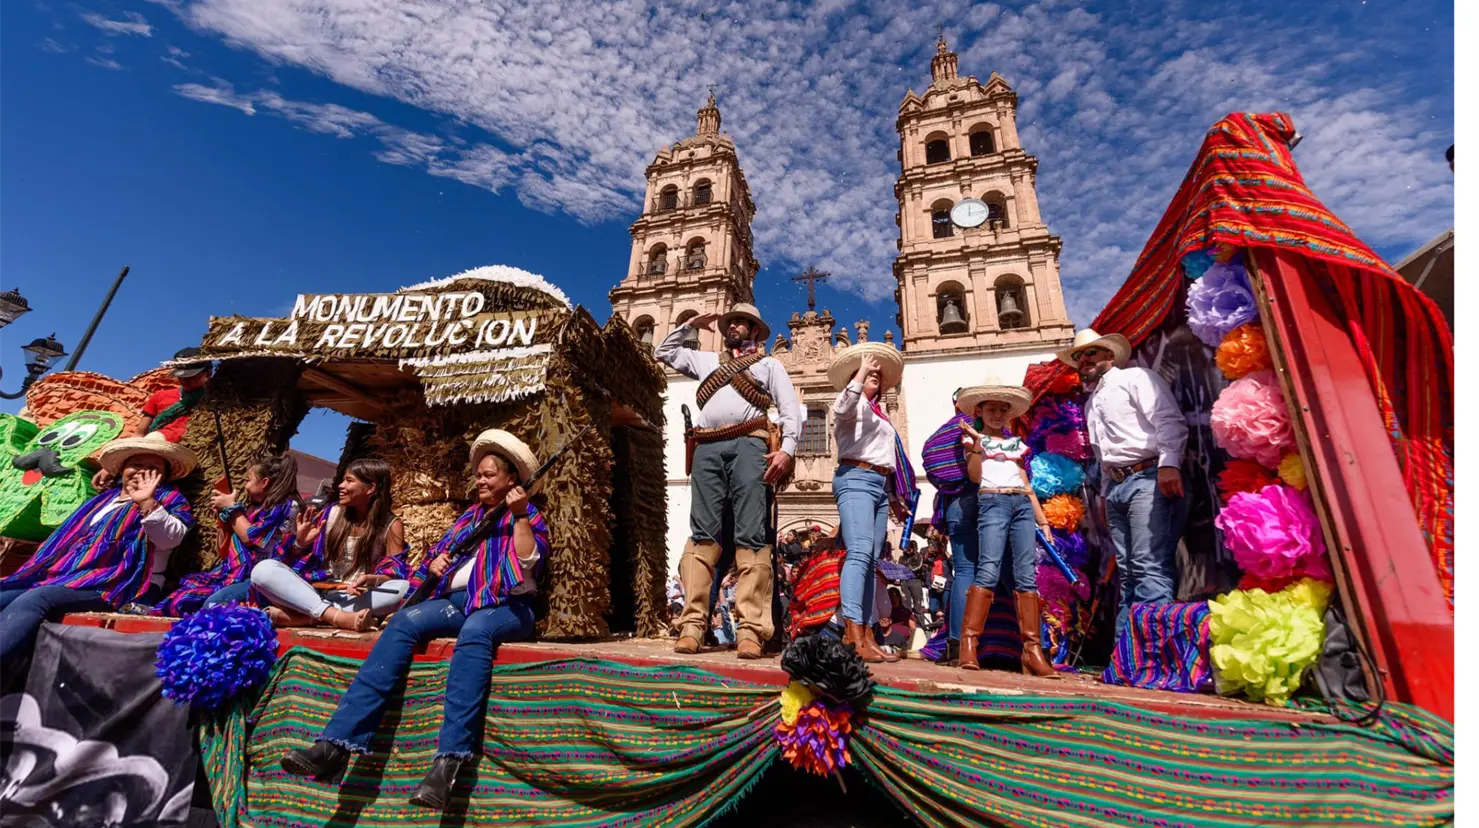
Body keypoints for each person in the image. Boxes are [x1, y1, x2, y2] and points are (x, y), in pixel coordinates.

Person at [280, 429, 551, 810]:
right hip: (458, 601)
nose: (481, 480)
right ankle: (335, 745)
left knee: (475, 632)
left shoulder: (529, 516)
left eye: (490, 474)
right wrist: (437, 566)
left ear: (512, 480)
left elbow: (525, 565)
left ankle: (447, 765)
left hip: (505, 607)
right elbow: (431, 565)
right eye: (478, 474)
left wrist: (520, 515)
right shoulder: (469, 519)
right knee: (406, 621)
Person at [656, 304, 800, 660]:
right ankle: (692, 625)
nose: (735, 325)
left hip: (750, 444)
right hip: (706, 446)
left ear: (755, 331)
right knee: (702, 534)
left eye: (744, 322)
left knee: (751, 534)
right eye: (731, 321)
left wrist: (788, 450)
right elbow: (665, 352)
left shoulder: (769, 365)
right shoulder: (706, 362)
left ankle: (751, 630)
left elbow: (790, 411)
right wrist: (690, 324)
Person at [0, 433, 195, 663]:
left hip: (120, 584)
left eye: (152, 467)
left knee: (36, 599)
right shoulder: (102, 500)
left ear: (164, 475)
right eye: (136, 464)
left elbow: (169, 539)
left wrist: (146, 503)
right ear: (122, 469)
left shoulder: (170, 500)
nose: (142, 471)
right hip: (68, 575)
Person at [1060, 329, 1189, 639]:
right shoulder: (1092, 403)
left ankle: (1152, 651)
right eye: (1078, 357)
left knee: (1148, 565)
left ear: (1109, 355)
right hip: (1117, 487)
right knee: (1129, 573)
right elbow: (1105, 455)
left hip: (1148, 478)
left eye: (1091, 353)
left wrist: (1169, 463)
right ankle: (1126, 652)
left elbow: (1168, 419)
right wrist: (1105, 494)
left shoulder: (1135, 379)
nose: (1084, 360)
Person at [956, 378, 1058, 678]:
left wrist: (1042, 519)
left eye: (1003, 409)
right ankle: (969, 644)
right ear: (980, 410)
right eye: (992, 409)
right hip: (993, 503)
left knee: (1026, 574)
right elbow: (975, 478)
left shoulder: (1014, 443)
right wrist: (976, 446)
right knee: (988, 569)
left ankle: (1032, 649)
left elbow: (1025, 483)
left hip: (1021, 506)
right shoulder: (973, 440)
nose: (998, 414)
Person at [250, 458, 410, 631]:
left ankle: (312, 617)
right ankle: (337, 617)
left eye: (349, 481)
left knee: (402, 588)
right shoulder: (331, 513)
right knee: (263, 570)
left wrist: (374, 579)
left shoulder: (390, 525)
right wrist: (300, 543)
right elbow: (294, 563)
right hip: (315, 592)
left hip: (356, 597)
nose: (341, 486)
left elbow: (395, 571)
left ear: (370, 488)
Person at [828, 342, 912, 664]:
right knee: (860, 552)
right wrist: (861, 372)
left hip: (878, 484)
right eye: (869, 373)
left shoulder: (880, 414)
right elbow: (841, 406)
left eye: (879, 375)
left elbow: (886, 457)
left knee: (872, 560)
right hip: (855, 478)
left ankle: (866, 634)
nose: (875, 376)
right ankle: (851, 632)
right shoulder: (852, 406)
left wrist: (893, 497)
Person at [152, 454, 301, 616]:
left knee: (213, 604)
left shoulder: (287, 507)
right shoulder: (250, 511)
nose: (245, 486)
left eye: (248, 480)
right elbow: (223, 551)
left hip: (265, 580)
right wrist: (222, 517)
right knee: (184, 598)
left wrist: (232, 508)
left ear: (264, 483)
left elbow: (252, 538)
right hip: (238, 574)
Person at [90, 348, 212, 492]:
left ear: (207, 373)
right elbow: (139, 434)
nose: (184, 380)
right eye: (181, 376)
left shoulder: (216, 401)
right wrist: (111, 467)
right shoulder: (160, 397)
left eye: (191, 376)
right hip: (151, 451)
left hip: (186, 459)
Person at [919, 387, 979, 666]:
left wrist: (949, 484)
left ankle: (956, 643)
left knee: (963, 571)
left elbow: (931, 463)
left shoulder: (940, 434)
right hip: (982, 501)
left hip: (953, 503)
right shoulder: (979, 426)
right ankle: (986, 641)